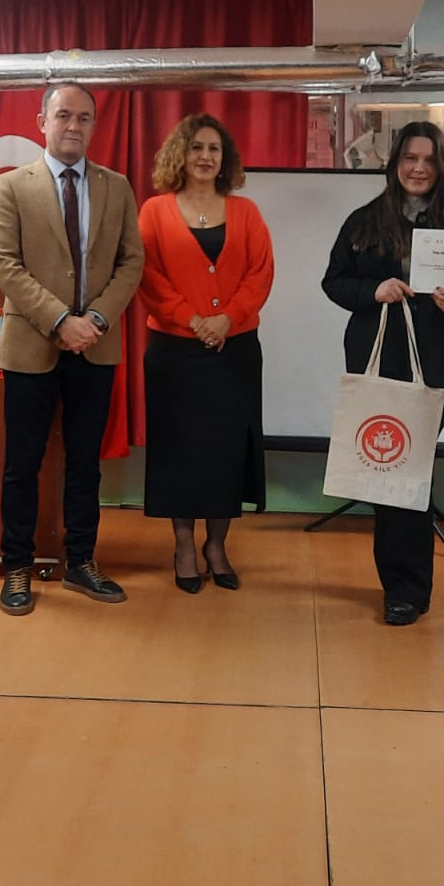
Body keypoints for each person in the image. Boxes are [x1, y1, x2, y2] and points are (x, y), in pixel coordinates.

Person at [321, 122, 444, 625]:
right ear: (394, 163)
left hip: (436, 367)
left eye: (428, 159)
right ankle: (400, 588)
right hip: (377, 365)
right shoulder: (363, 221)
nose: (418, 168)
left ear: (442, 166)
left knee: (412, 471)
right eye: (409, 158)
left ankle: (410, 589)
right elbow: (333, 282)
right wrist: (372, 292)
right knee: (388, 476)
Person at [0, 82, 144, 615]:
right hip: (32, 345)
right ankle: (17, 567)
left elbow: (131, 261)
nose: (73, 126)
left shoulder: (116, 186)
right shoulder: (12, 186)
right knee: (22, 464)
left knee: (85, 464)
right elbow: (5, 264)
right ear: (42, 122)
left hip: (95, 345)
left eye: (84, 118)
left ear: (94, 125)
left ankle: (81, 561)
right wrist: (59, 320)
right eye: (63, 116)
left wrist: (94, 319)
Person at [137, 113, 274, 592]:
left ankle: (216, 546)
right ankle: (183, 546)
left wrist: (226, 319)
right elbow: (147, 275)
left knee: (225, 450)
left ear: (225, 159)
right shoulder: (154, 210)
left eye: (214, 148)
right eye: (196, 147)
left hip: (234, 351)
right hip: (175, 352)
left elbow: (260, 274)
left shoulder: (246, 212)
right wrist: (193, 320)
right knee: (180, 450)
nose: (205, 156)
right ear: (181, 154)